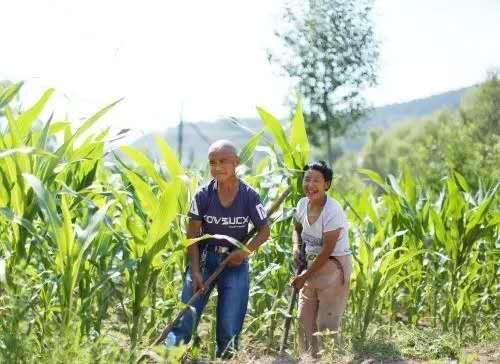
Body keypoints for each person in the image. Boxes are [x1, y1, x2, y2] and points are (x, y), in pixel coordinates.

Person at [165, 139, 270, 358]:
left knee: (229, 326)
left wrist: (244, 253)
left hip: (235, 264)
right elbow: (191, 235)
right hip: (203, 261)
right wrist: (195, 271)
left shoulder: (250, 196)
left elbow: (264, 231)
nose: (217, 167)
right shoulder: (203, 195)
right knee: (186, 317)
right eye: (213, 162)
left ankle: (226, 359)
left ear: (237, 162)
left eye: (223, 161)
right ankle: (169, 357)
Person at [291, 160, 352, 357]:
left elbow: (327, 250)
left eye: (316, 180)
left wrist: (303, 276)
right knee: (304, 320)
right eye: (307, 179)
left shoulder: (333, 211)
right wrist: (296, 248)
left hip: (333, 268)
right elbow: (297, 228)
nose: (310, 184)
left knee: (327, 324)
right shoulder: (302, 204)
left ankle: (330, 359)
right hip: (310, 265)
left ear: (327, 184)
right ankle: (309, 359)